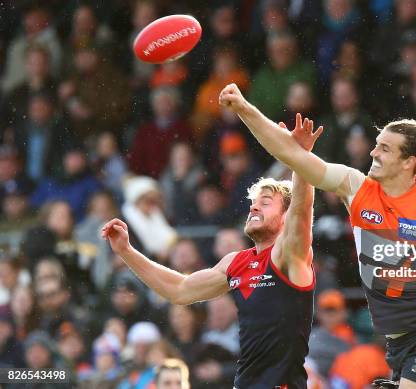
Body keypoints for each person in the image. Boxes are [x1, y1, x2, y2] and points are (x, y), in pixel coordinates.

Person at [219, 83, 416, 389]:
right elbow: (292, 154)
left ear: (408, 162)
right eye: (376, 144)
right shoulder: (355, 187)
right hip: (397, 344)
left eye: (384, 147)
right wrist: (244, 108)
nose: (373, 151)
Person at [103, 116, 321, 388]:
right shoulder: (236, 262)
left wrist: (301, 158)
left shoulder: (289, 255)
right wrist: (126, 251)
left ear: (285, 217)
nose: (254, 208)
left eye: (265, 203)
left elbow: (301, 212)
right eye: (253, 203)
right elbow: (180, 289)